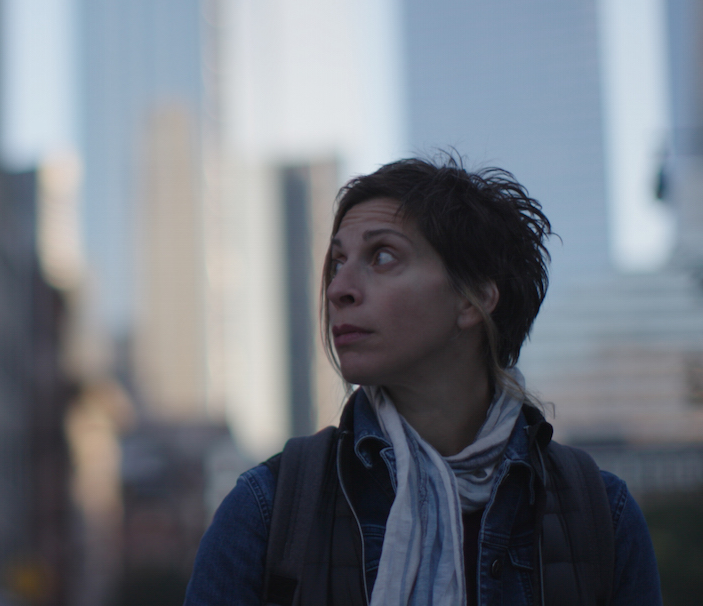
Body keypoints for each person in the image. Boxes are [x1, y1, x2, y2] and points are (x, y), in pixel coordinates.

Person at [183, 157, 662, 605]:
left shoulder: (601, 514)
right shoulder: (269, 509)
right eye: (336, 263)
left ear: (473, 300)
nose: (338, 289)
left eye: (383, 256)